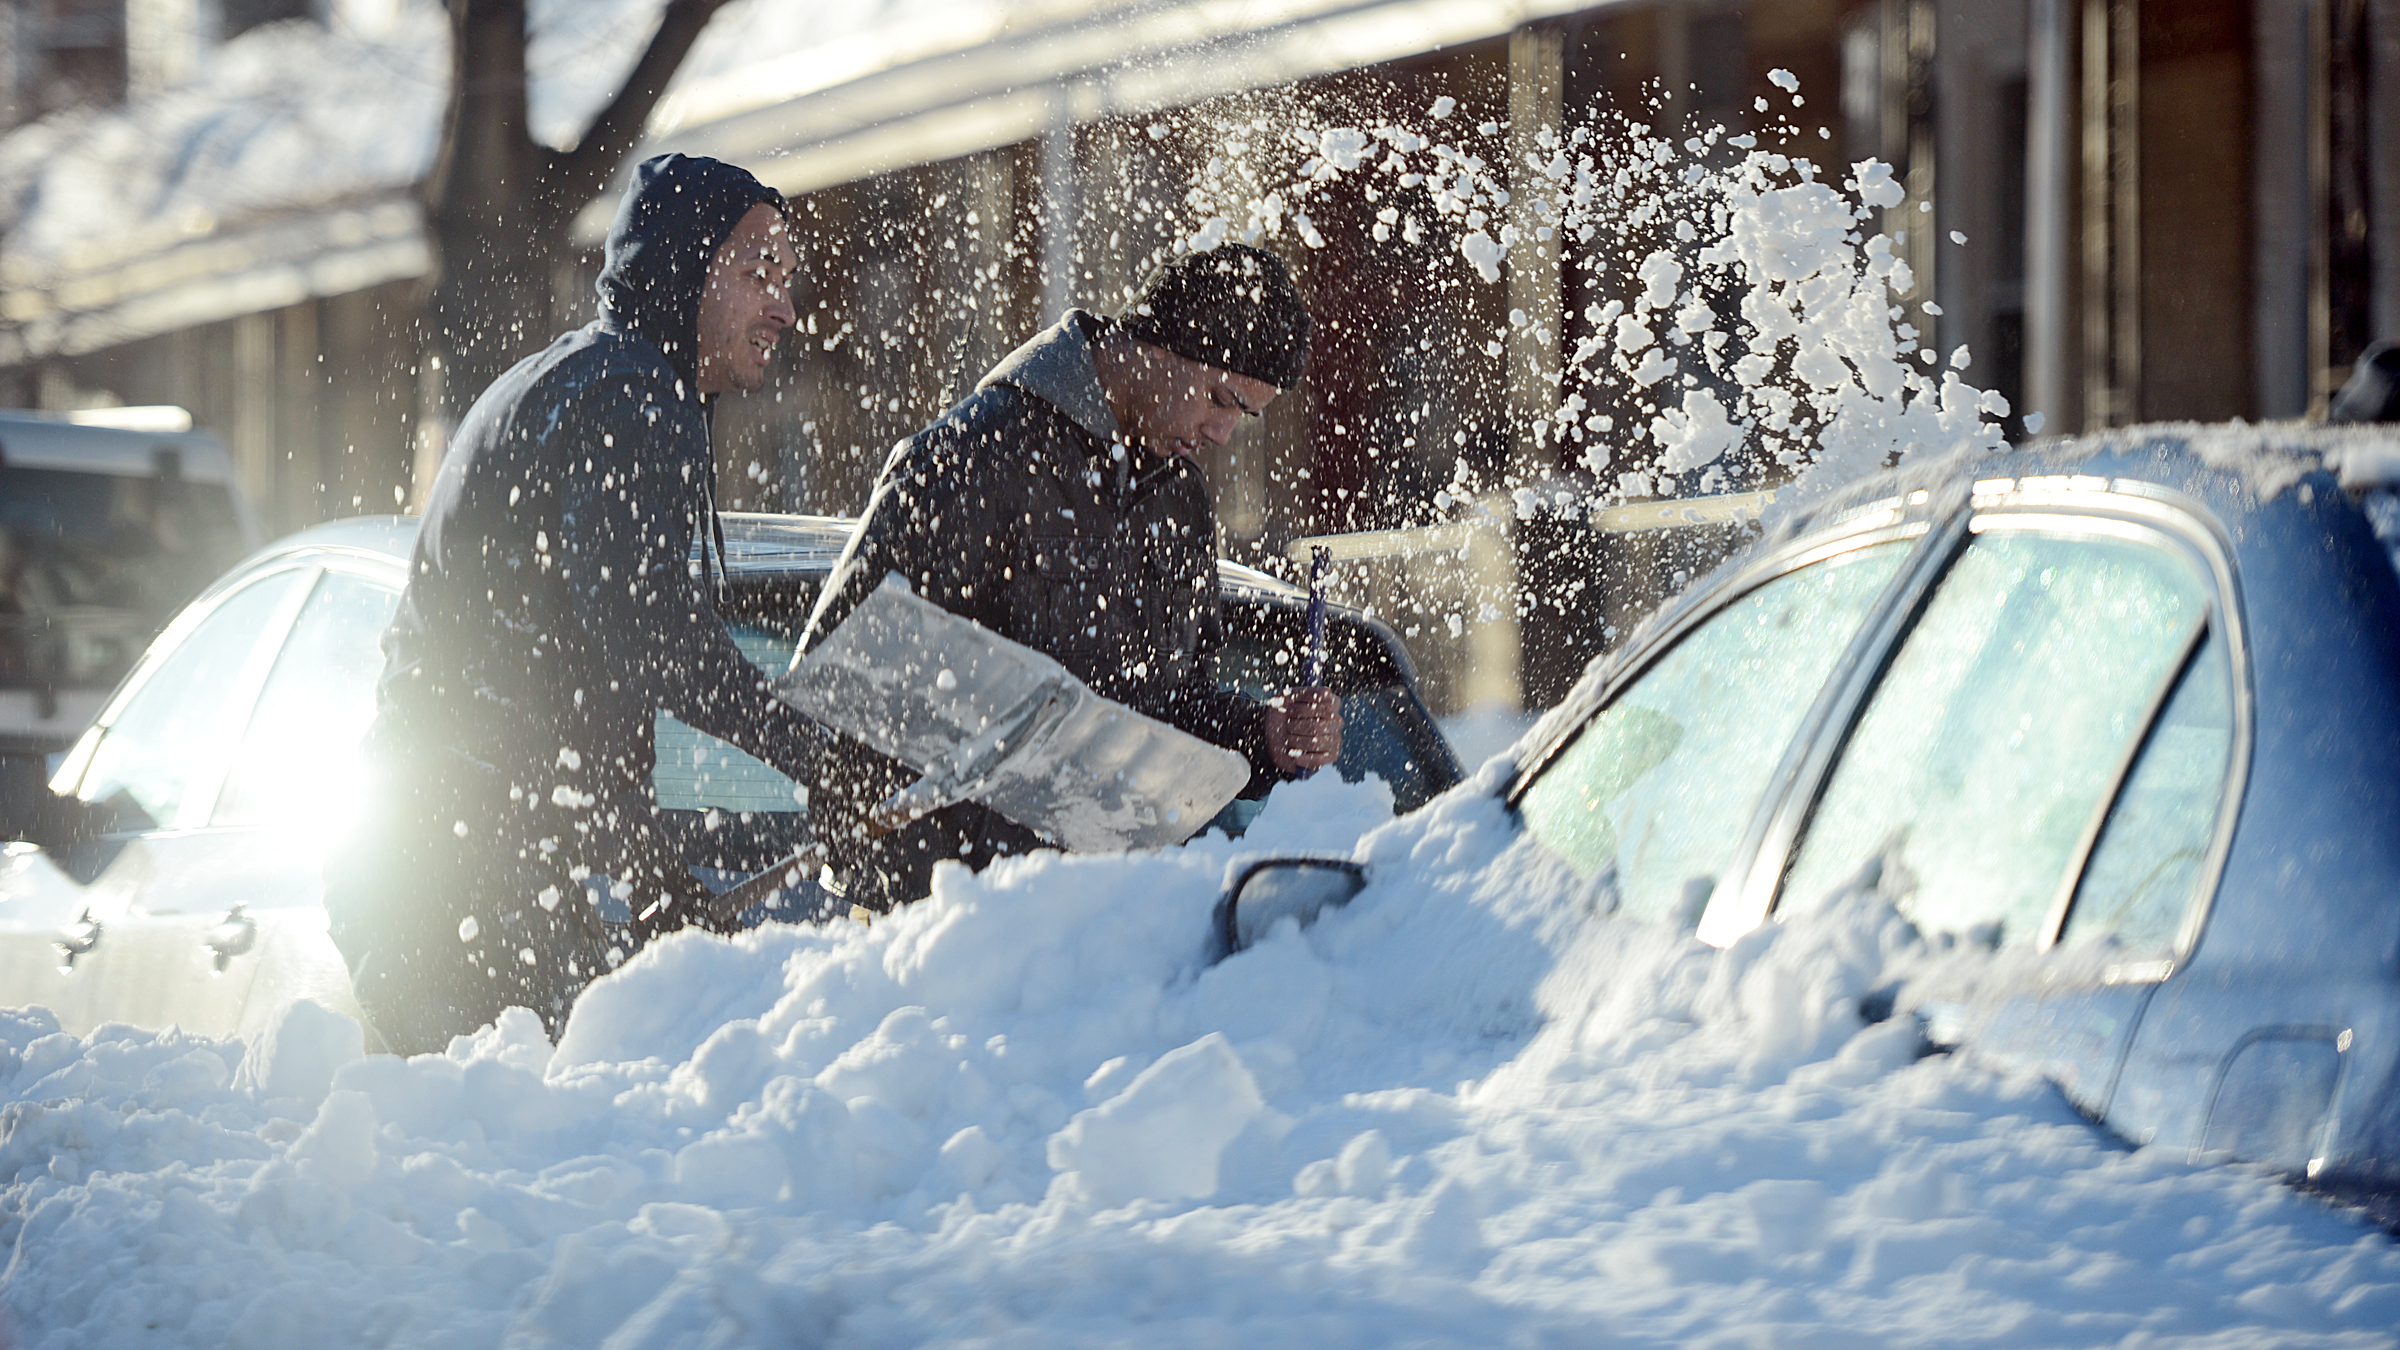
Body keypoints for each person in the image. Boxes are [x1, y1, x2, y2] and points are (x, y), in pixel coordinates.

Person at [327, 153, 824, 1053]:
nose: (783, 307)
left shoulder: (591, 379)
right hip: (466, 881)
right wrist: (829, 755)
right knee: (537, 1170)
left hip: (431, 865)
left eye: (787, 279)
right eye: (759, 274)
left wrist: (661, 869)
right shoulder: (627, 395)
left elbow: (604, 683)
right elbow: (660, 649)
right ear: (686, 267)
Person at [801, 243, 1345, 911]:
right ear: (1158, 343)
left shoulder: (1178, 502)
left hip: (1108, 929)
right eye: (1219, 399)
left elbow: (1170, 710)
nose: (1223, 433)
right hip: (952, 929)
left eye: (1243, 415)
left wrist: (1262, 738)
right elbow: (845, 671)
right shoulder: (976, 456)